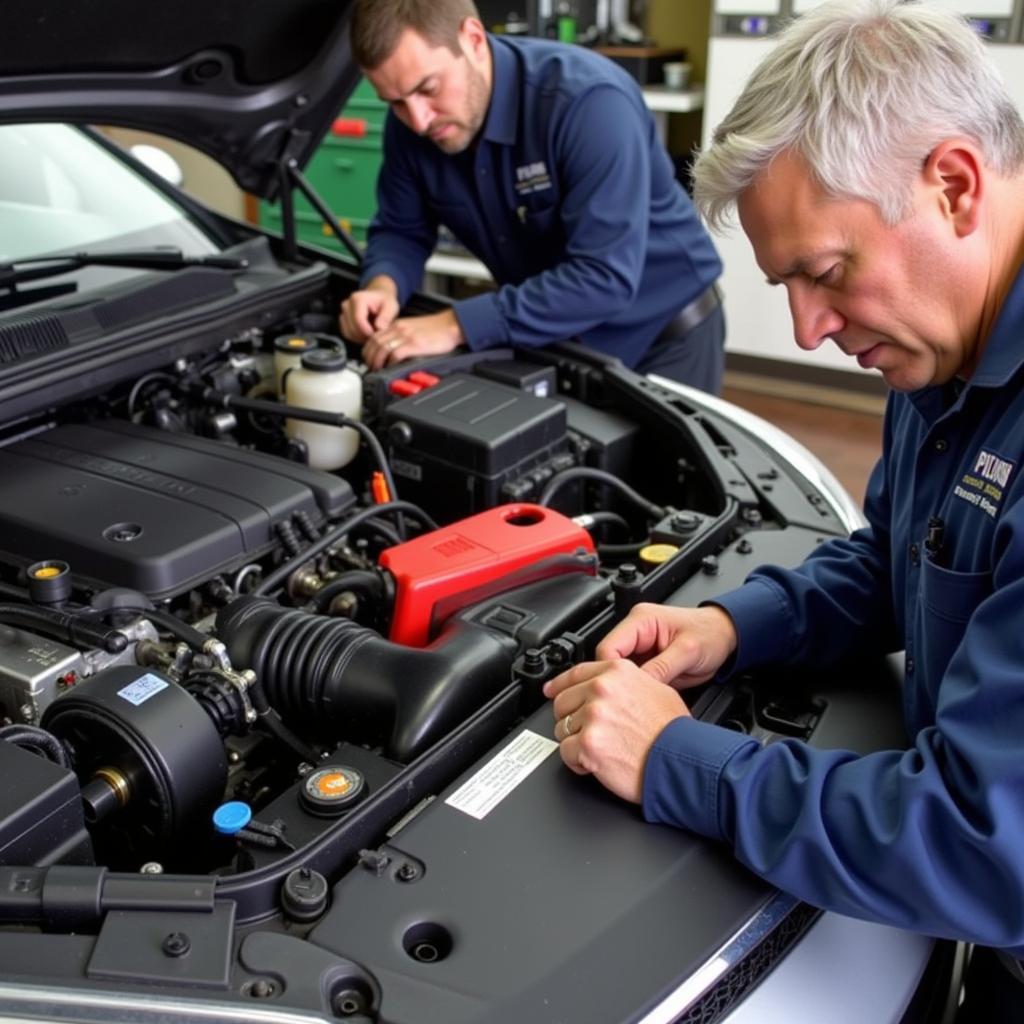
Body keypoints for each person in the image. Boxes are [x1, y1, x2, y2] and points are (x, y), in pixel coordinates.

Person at [542, 1, 1024, 1019]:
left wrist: (681, 760)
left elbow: (986, 844)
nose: (809, 331)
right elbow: (897, 561)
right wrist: (729, 626)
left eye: (827, 273)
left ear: (953, 185)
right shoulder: (946, 351)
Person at [337, 0, 725, 392]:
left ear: (472, 39)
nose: (418, 120)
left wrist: (456, 324)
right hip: (560, 343)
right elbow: (402, 230)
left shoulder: (588, 103)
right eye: (397, 102)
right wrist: (382, 284)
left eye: (428, 88)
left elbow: (603, 277)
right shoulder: (410, 127)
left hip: (664, 339)